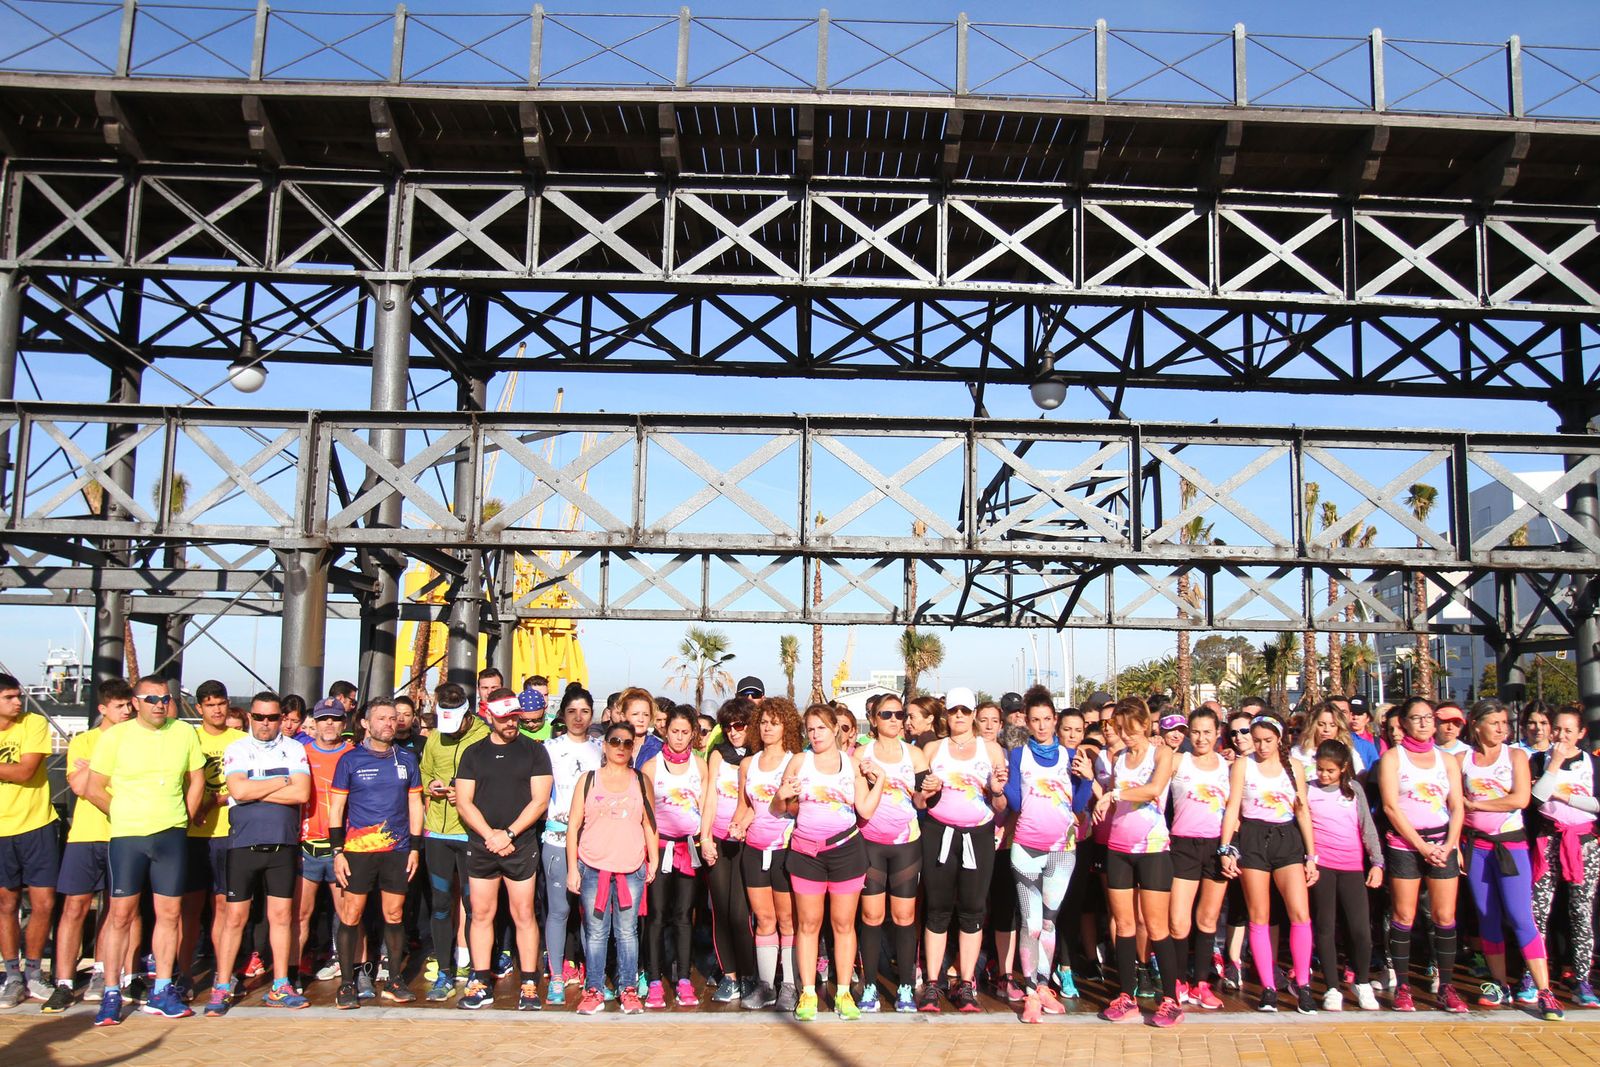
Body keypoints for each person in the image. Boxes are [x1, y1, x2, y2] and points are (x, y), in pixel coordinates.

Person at [85, 675, 205, 1025]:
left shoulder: (183, 732)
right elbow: (94, 787)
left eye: (165, 698)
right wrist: (121, 812)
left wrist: (187, 814)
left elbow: (196, 777)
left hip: (171, 834)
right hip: (128, 836)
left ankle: (163, 989)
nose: (159, 704)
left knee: (170, 913)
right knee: (120, 914)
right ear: (135, 702)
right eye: (151, 699)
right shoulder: (115, 736)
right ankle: (111, 991)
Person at [209, 692, 312, 1015]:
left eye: (272, 718)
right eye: (259, 717)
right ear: (250, 717)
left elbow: (302, 792)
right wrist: (281, 780)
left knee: (282, 917)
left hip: (283, 843)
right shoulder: (237, 747)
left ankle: (281, 984)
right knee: (234, 917)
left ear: (281, 718)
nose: (266, 724)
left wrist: (258, 785)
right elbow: (237, 791)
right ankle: (222, 984)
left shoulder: (294, 748)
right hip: (243, 844)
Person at [777, 703, 880, 1021]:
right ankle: (808, 992)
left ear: (836, 728)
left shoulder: (852, 765)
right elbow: (784, 807)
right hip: (807, 854)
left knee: (844, 924)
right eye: (810, 728)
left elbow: (864, 809)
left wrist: (882, 782)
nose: (815, 734)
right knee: (807, 925)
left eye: (821, 727)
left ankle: (844, 992)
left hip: (846, 852)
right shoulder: (799, 761)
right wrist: (783, 794)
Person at [1461, 698, 1560, 1018]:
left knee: (1520, 917)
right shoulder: (1463, 760)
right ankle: (1500, 984)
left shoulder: (1515, 755)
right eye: (1495, 723)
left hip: (1511, 845)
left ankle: (1545, 991)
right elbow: (1454, 802)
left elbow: (1521, 798)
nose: (1502, 728)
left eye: (1505, 722)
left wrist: (1477, 805)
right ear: (1476, 725)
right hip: (1477, 847)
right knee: (1487, 916)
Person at [454, 690, 554, 1011]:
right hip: (483, 845)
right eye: (504, 717)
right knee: (481, 914)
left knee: (524, 913)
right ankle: (480, 979)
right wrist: (490, 835)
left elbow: (540, 801)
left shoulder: (535, 752)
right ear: (489, 716)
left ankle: (528, 982)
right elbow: (464, 802)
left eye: (514, 716)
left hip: (520, 844)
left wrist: (509, 833)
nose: (511, 722)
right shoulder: (472, 753)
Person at [43, 679, 135, 1013]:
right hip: (85, 834)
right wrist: (104, 773)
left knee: (116, 909)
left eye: (129, 705)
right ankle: (64, 982)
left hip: (123, 834)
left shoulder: (136, 742)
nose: (126, 711)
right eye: (119, 705)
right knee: (74, 908)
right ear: (103, 709)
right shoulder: (84, 741)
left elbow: (123, 782)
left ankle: (101, 971)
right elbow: (81, 787)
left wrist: (96, 773)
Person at [328, 699, 424, 1010]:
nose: (389, 723)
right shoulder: (349, 760)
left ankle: (394, 980)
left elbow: (414, 806)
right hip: (357, 851)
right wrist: (337, 851)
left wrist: (414, 847)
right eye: (381, 718)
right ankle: (346, 983)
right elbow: (337, 808)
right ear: (366, 724)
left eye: (393, 718)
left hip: (397, 849)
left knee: (394, 915)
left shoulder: (407, 759)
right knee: (351, 915)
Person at [1219, 712, 1317, 1014]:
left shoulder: (1294, 767)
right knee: (1259, 915)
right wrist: (1225, 848)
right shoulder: (1243, 766)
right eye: (1257, 740)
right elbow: (1233, 805)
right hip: (1253, 837)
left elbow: (1302, 812)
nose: (1261, 746)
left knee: (1299, 912)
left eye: (1267, 740)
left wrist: (1312, 856)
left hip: (1287, 838)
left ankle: (1303, 985)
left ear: (1279, 739)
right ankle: (1268, 988)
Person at [918, 686, 1008, 1013]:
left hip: (978, 835)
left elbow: (1000, 805)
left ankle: (966, 983)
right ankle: (932, 983)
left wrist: (996, 790)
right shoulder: (933, 749)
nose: (959, 716)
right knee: (938, 909)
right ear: (946, 713)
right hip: (938, 833)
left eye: (965, 711)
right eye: (954, 710)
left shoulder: (991, 750)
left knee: (972, 909)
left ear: (972, 714)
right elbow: (918, 801)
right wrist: (927, 792)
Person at [1005, 687, 1092, 1023]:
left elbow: (1079, 805)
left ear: (1055, 720)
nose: (1041, 726)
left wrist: (1085, 780)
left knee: (1048, 923)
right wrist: (1003, 785)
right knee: (1029, 922)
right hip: (1026, 847)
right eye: (1035, 720)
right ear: (1026, 722)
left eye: (1046, 720)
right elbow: (1015, 802)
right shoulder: (1018, 755)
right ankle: (1029, 992)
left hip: (1062, 851)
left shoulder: (1073, 757)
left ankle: (1044, 985)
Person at [1095, 697, 1182, 1027]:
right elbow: (1113, 793)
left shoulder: (1162, 753)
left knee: (1157, 927)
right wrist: (1104, 802)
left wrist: (1114, 795)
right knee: (1124, 925)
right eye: (1121, 730)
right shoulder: (1118, 758)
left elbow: (1155, 789)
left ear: (1146, 726)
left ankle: (1170, 999)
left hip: (1153, 849)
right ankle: (1126, 994)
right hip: (1119, 848)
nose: (1127, 736)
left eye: (1131, 730)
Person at [1377, 696, 1467, 1013]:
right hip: (1406, 845)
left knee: (1444, 917)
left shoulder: (1447, 760)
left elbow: (1457, 806)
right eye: (1417, 718)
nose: (1425, 723)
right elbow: (1390, 807)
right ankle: (1402, 986)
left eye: (1429, 717)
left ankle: (1446, 986)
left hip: (1443, 844)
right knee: (1404, 916)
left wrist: (1449, 844)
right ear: (1403, 724)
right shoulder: (1393, 759)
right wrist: (1421, 846)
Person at [567, 720, 659, 1015]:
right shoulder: (588, 780)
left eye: (627, 743)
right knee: (595, 932)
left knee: (627, 932)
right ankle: (593, 988)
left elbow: (650, 823)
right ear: (604, 745)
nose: (621, 747)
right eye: (615, 741)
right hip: (593, 867)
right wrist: (572, 868)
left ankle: (628, 989)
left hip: (631, 869)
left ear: (633, 747)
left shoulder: (641, 780)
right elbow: (573, 828)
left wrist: (653, 860)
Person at [853, 692, 928, 1014]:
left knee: (904, 917)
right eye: (887, 715)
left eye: (900, 714)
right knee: (871, 916)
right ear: (873, 719)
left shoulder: (916, 755)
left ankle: (907, 987)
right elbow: (855, 803)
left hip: (906, 844)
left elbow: (924, 803)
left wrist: (929, 792)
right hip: (870, 843)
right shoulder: (859, 755)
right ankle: (869, 984)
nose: (895, 720)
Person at [417, 683, 486, 1001]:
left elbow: (494, 782)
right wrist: (433, 785)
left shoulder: (483, 736)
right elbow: (425, 770)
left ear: (467, 714)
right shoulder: (434, 737)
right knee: (441, 903)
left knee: (475, 906)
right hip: (438, 832)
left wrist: (468, 795)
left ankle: (476, 970)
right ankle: (444, 971)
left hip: (471, 833)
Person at [1528, 703, 1600, 1009]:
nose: (1561, 735)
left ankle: (1581, 978)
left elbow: (1597, 804)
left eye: (1568, 730)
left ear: (1581, 733)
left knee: (1581, 912)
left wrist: (1565, 796)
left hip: (1584, 843)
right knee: (1537, 911)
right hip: (1548, 840)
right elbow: (1536, 798)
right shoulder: (1537, 760)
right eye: (1556, 728)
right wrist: (1554, 764)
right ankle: (1533, 977)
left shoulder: (1592, 764)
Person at [1305, 739, 1383, 1011]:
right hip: (1323, 868)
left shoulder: (1354, 790)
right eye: (1320, 769)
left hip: (1352, 867)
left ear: (1343, 768)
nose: (1324, 775)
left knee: (1361, 929)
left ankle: (1361, 982)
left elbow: (1367, 827)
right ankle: (1332, 987)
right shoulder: (1308, 791)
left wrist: (1377, 862)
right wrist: (1309, 860)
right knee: (1325, 928)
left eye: (1330, 770)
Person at [640, 706, 710, 1008]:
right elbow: (646, 815)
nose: (679, 738)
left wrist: (704, 839)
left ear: (692, 733)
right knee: (656, 917)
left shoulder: (700, 765)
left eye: (685, 732)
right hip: (659, 849)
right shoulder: (652, 767)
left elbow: (706, 806)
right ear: (665, 731)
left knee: (684, 917)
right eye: (674, 731)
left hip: (688, 850)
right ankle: (654, 979)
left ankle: (683, 978)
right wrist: (651, 855)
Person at [734, 696, 802, 1010]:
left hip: (786, 849)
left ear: (786, 725)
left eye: (774, 723)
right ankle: (765, 986)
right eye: (763, 722)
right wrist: (737, 826)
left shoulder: (796, 760)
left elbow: (798, 807)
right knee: (764, 920)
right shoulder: (748, 763)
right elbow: (745, 809)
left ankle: (789, 985)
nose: (767, 728)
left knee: (787, 921)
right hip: (754, 849)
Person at [179, 680, 245, 997]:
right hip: (193, 835)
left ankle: (223, 973)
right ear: (199, 708)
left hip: (229, 835)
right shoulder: (187, 738)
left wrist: (213, 801)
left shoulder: (241, 740)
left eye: (221, 703)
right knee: (188, 910)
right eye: (210, 705)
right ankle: (184, 974)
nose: (216, 710)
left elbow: (245, 784)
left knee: (223, 908)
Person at [0, 672, 59, 1008]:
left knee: (44, 903)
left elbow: (25, 770)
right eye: (9, 697)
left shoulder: (33, 723)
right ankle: (12, 975)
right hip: (1, 830)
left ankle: (34, 973)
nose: (17, 702)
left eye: (17, 695)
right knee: (6, 905)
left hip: (37, 825)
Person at [1165, 706, 1229, 1011]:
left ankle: (1201, 983)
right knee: (1178, 922)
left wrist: (1230, 849)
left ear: (1218, 733)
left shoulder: (1229, 767)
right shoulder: (1179, 761)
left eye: (1207, 732)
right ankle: (1178, 981)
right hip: (1182, 846)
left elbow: (1235, 813)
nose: (1201, 738)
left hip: (1216, 847)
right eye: (1196, 732)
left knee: (1207, 920)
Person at [542, 685, 601, 1005]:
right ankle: (557, 976)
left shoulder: (602, 748)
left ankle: (593, 977)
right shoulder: (548, 748)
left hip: (593, 842)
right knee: (560, 909)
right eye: (572, 712)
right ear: (563, 715)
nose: (579, 718)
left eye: (585, 712)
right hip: (556, 838)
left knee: (592, 913)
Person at [700, 697, 755, 1005]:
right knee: (721, 910)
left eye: (740, 725)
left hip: (749, 842)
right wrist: (705, 837)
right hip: (719, 840)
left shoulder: (760, 757)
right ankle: (730, 975)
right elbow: (709, 798)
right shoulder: (718, 755)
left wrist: (744, 824)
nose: (734, 732)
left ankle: (749, 974)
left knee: (741, 912)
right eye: (728, 727)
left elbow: (763, 801)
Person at [296, 699, 352, 986]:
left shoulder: (354, 754)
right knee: (301, 914)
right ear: (314, 723)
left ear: (344, 723)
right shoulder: (300, 754)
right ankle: (291, 974)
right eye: (323, 719)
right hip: (307, 846)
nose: (329, 724)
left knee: (346, 914)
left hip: (341, 849)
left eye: (335, 719)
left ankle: (345, 968)